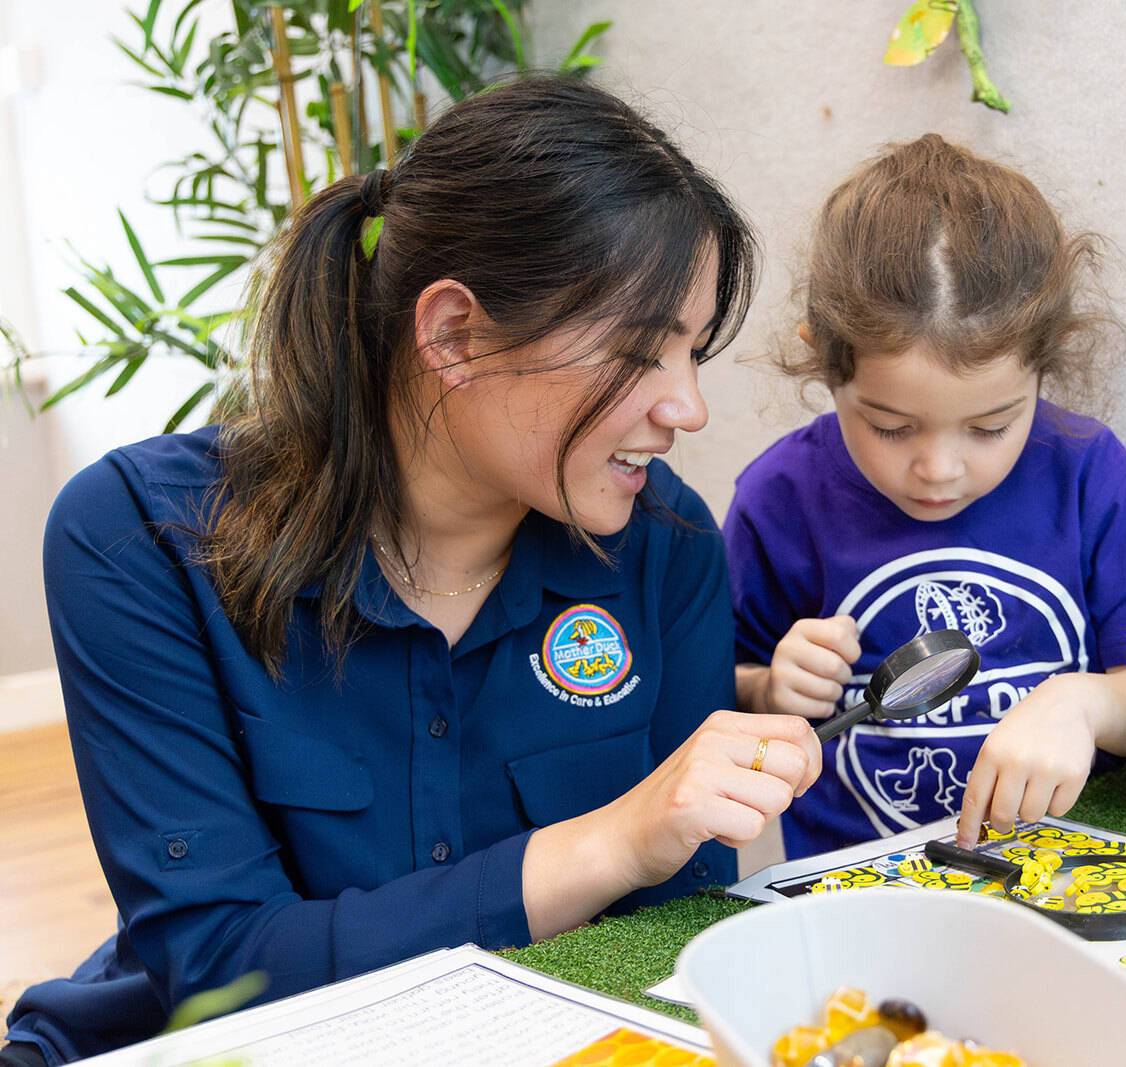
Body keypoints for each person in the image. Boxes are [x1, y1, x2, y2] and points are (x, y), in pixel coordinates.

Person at [2, 75, 821, 1066]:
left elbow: (657, 950)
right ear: (453, 333)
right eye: (640, 352)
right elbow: (222, 971)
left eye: (693, 354)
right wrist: (613, 839)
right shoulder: (138, 540)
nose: (685, 408)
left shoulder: (667, 542)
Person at [724, 134, 1126, 860]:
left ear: (1047, 363)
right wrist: (769, 689)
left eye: (990, 426)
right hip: (867, 890)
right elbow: (714, 690)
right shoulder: (779, 498)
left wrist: (1083, 701)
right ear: (823, 360)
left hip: (1075, 877)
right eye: (890, 426)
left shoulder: (1083, 471)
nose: (939, 468)